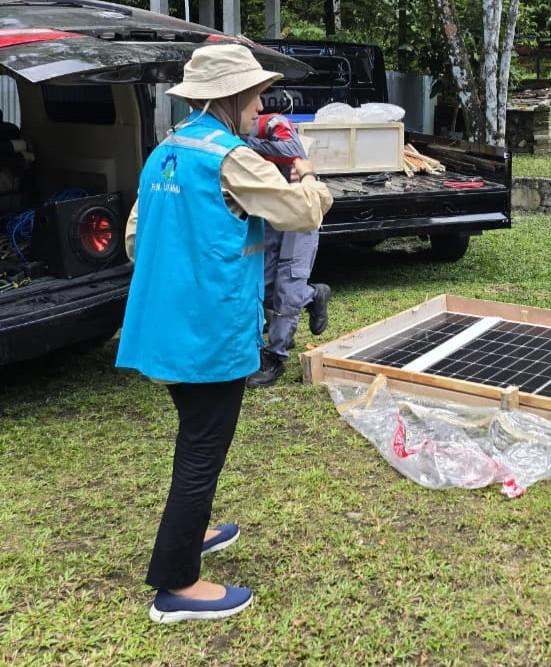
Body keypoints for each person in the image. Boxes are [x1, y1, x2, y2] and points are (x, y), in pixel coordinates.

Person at [115, 44, 333, 623]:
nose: (261, 103)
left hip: (162, 325)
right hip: (210, 330)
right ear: (234, 98)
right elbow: (303, 211)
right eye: (256, 94)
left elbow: (137, 240)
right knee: (202, 450)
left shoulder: (165, 151)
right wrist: (306, 170)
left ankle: (197, 532)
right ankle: (176, 583)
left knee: (195, 433)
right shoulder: (233, 157)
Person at [244, 113, 331, 388]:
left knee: (288, 286)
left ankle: (275, 356)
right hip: (271, 212)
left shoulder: (271, 124)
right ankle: (315, 295)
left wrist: (242, 143)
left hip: (301, 210)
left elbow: (294, 151)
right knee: (265, 283)